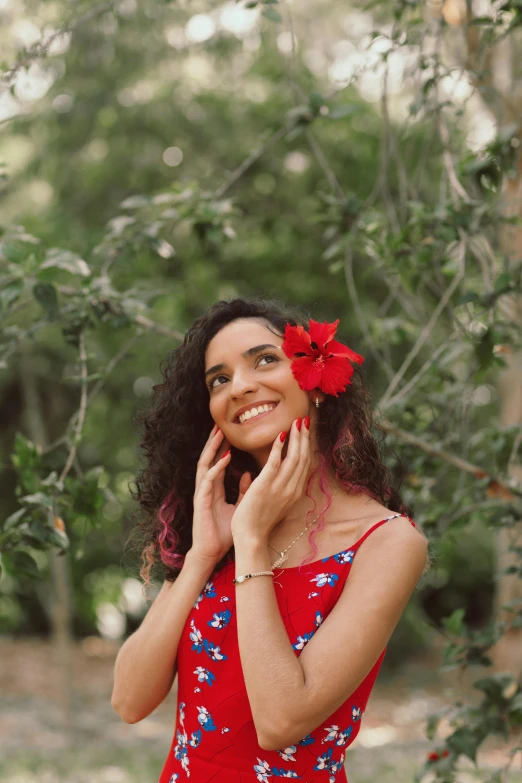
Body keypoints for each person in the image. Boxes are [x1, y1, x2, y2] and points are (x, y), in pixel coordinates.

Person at [112, 296, 430, 783]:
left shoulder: (386, 542)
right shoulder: (223, 533)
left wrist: (254, 543)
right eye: (219, 379)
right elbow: (129, 701)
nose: (239, 386)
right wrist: (202, 557)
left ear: (317, 379)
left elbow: (281, 721)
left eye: (264, 359)